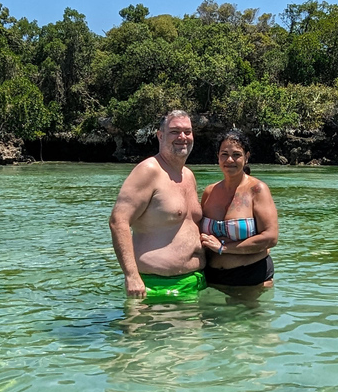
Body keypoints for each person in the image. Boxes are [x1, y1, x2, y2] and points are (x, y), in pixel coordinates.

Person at [109, 110, 206, 300]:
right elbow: (118, 221)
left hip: (196, 283)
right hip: (155, 288)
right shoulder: (149, 171)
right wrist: (132, 276)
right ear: (160, 136)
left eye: (187, 131)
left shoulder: (188, 175)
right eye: (175, 131)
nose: (182, 137)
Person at [199, 129, 278, 288]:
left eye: (236, 154)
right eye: (224, 154)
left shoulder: (257, 190)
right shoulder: (210, 191)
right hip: (212, 279)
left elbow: (271, 237)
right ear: (218, 157)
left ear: (246, 157)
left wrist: (224, 248)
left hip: (250, 277)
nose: (230, 160)